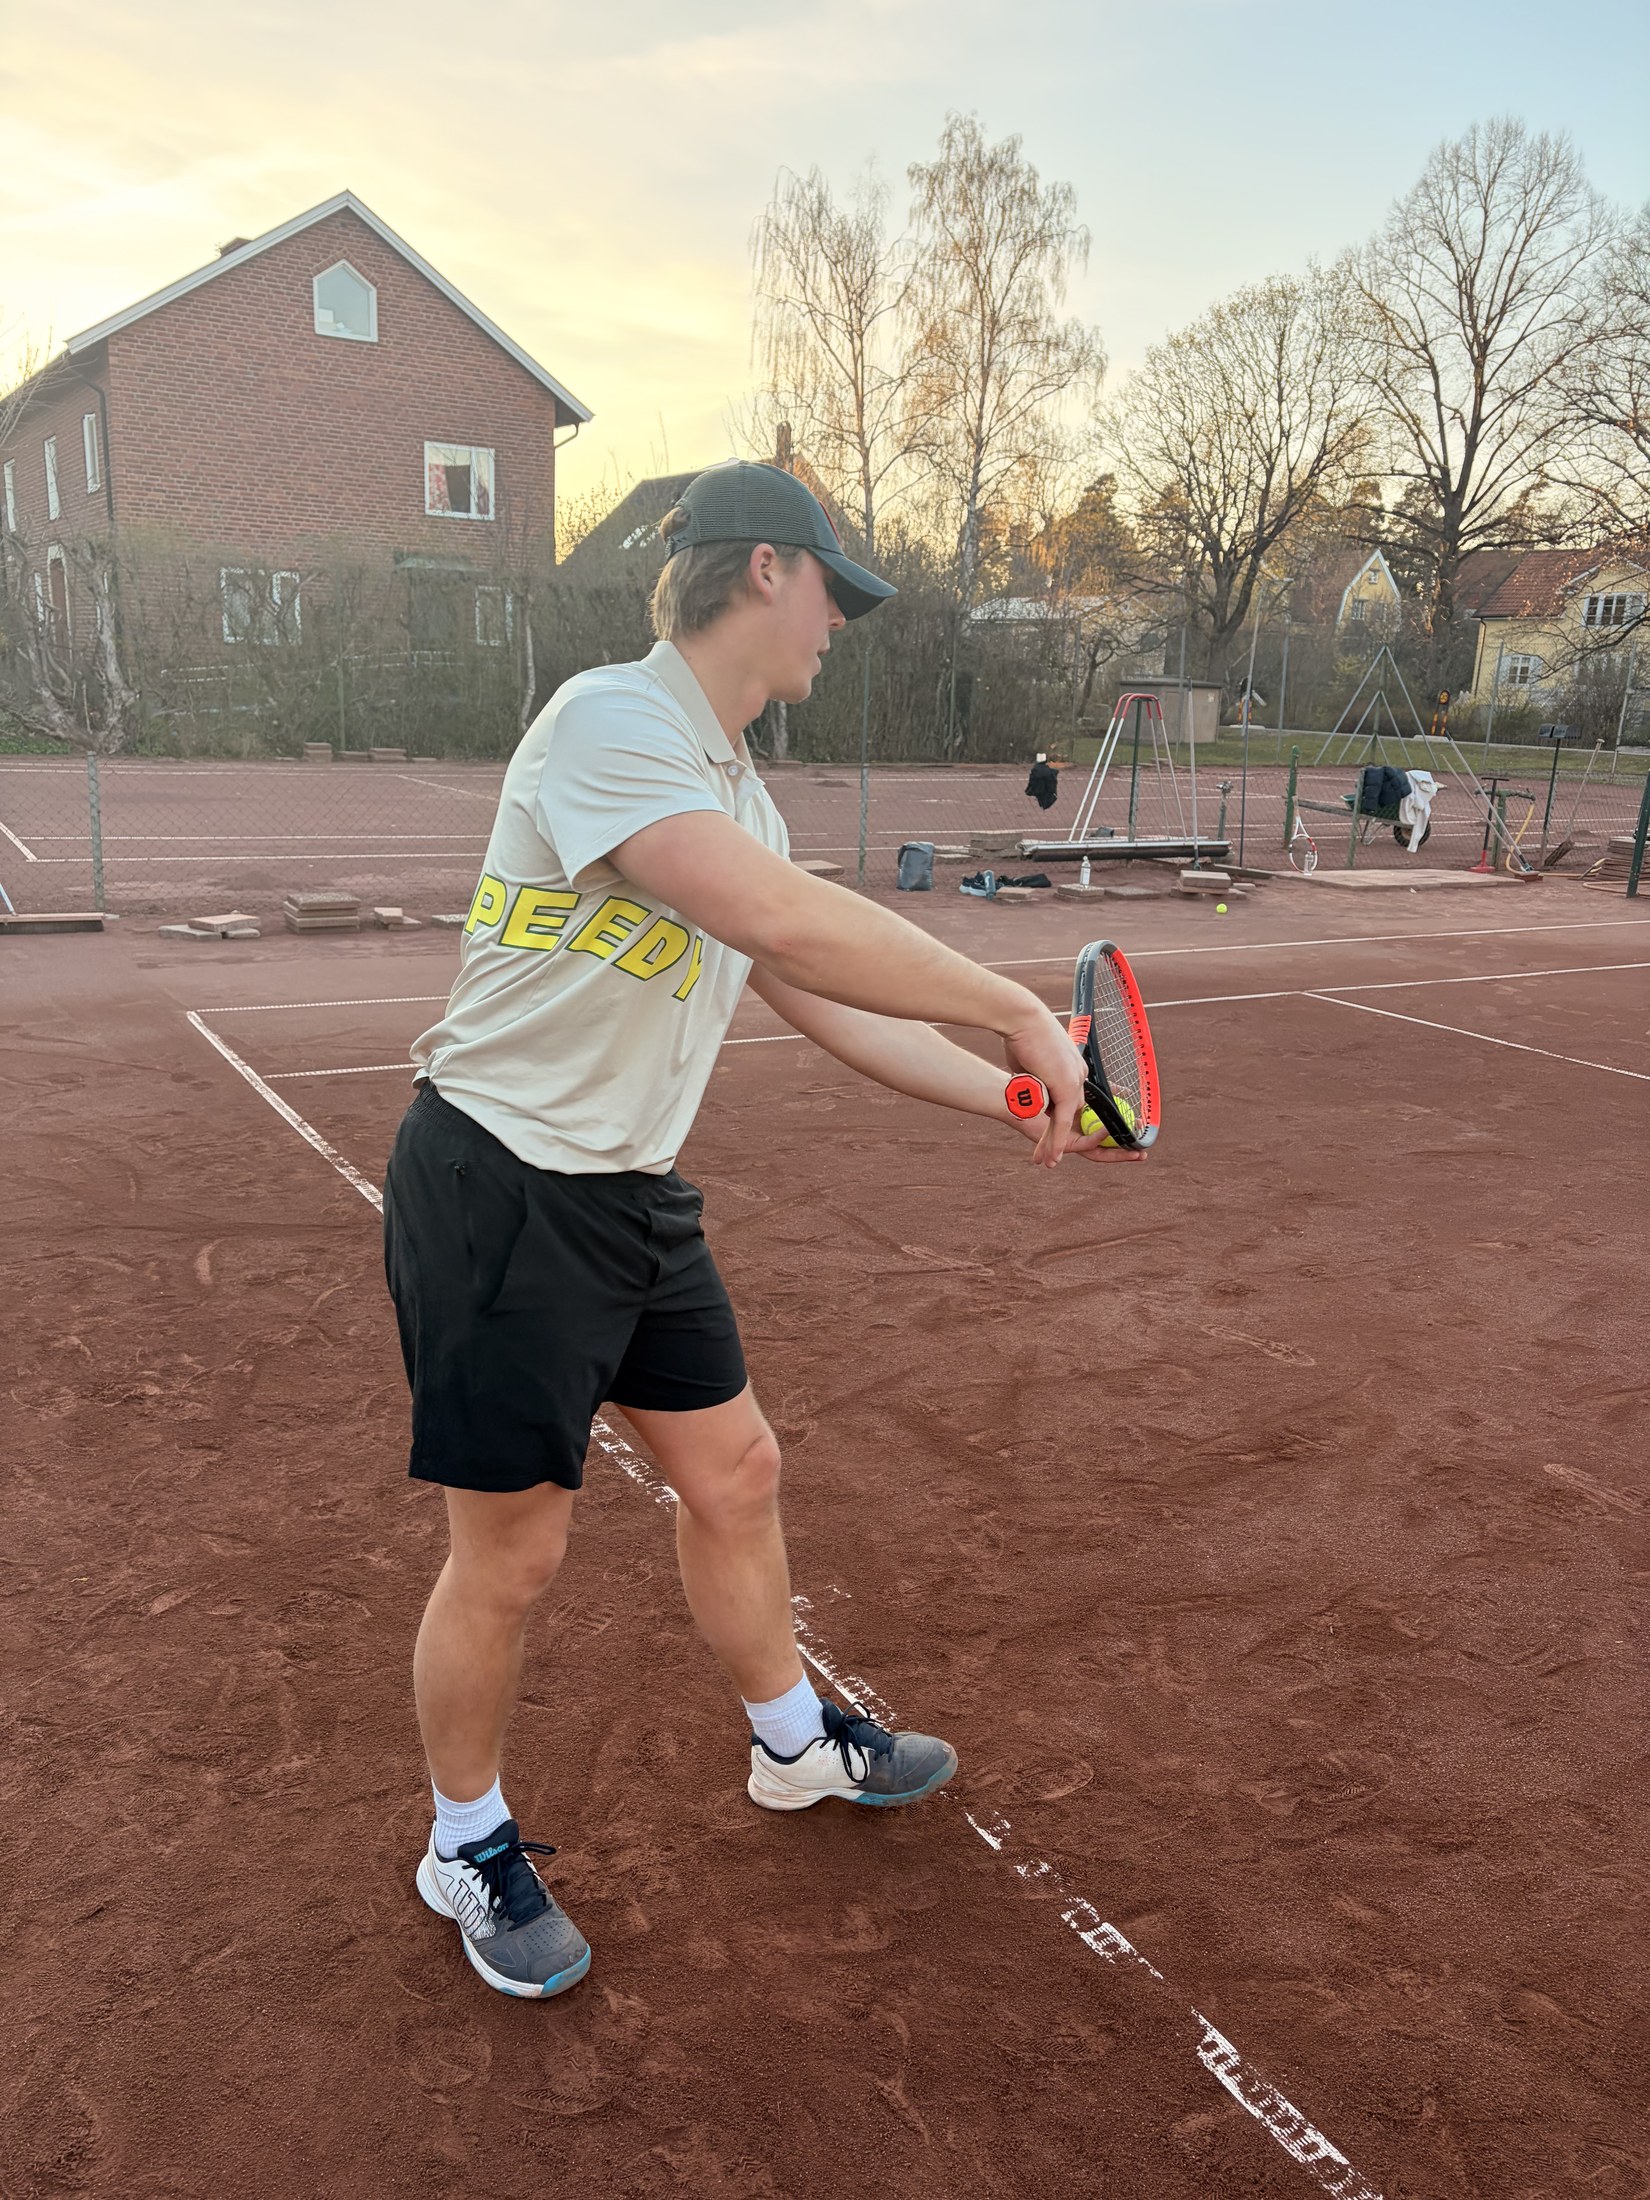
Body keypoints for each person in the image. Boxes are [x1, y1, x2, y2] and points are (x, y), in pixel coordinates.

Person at [383, 460, 1141, 2001]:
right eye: (832, 593)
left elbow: (821, 995)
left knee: (735, 1472)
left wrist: (1015, 1090)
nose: (839, 626)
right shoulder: (612, 723)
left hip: (629, 1192)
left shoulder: (740, 796)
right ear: (761, 573)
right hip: (501, 1183)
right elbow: (783, 921)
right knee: (513, 1557)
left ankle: (791, 1745)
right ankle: (464, 1841)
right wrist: (1009, 1002)